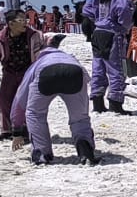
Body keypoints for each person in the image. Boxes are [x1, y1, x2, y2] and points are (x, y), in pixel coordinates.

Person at [10, 34, 99, 165]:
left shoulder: (37, 63)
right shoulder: (69, 57)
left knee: (35, 114)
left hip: (46, 72)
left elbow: (20, 97)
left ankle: (41, 153)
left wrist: (16, 129)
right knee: (79, 117)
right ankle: (85, 150)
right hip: (74, 72)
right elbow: (85, 77)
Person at [0, 8, 46, 140]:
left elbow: (46, 43)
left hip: (27, 73)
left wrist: (55, 42)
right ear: (11, 24)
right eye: (21, 20)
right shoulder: (1, 38)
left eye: (25, 20)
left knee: (26, 102)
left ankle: (25, 129)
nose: (25, 23)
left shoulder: (34, 35)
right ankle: (6, 130)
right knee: (4, 101)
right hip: (9, 73)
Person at [84, 0, 135, 115]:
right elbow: (124, 11)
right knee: (116, 69)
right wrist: (123, 26)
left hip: (97, 33)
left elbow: (87, 9)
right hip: (113, 34)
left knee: (98, 68)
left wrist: (98, 20)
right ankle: (115, 103)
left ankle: (98, 103)